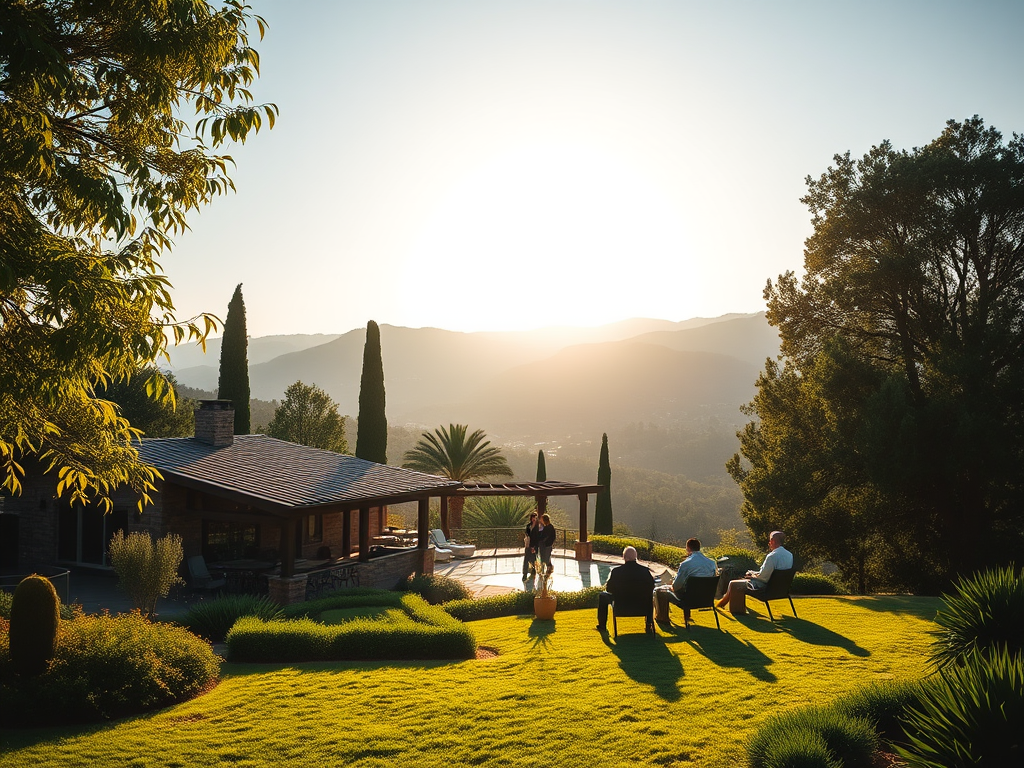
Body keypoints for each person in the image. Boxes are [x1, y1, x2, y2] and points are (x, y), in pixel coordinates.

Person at [716, 530, 793, 615]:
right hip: (780, 588)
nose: (769, 543)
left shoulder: (772, 556)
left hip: (765, 588)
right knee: (740, 581)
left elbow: (764, 578)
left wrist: (752, 576)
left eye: (770, 540)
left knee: (734, 584)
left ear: (773, 541)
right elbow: (773, 574)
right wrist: (754, 573)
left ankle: (734, 609)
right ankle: (722, 603)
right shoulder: (789, 555)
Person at [596, 546, 656, 633]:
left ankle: (602, 626)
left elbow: (609, 589)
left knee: (603, 596)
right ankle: (648, 623)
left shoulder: (616, 572)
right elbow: (651, 587)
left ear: (624, 557)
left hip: (621, 607)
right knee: (650, 595)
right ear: (636, 557)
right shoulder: (645, 571)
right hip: (642, 607)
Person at [662, 537, 716, 625]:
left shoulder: (686, 564)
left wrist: (672, 585)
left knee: (661, 591)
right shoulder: (711, 563)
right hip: (706, 598)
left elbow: (676, 586)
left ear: (688, 548)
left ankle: (662, 619)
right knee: (689, 589)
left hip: (688, 599)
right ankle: (687, 617)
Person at [522, 511, 540, 579]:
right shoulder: (528, 526)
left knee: (533, 560)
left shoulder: (538, 527)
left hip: (534, 546)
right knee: (526, 559)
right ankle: (525, 573)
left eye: (535, 517)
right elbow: (527, 534)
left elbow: (537, 538)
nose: (534, 519)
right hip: (528, 545)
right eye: (533, 517)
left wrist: (534, 547)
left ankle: (533, 572)